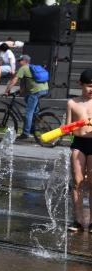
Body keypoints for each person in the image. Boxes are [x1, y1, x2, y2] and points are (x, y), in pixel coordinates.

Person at [66, 69, 92, 233]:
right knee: (77, 182)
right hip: (79, 143)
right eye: (89, 86)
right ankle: (77, 219)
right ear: (80, 84)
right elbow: (67, 128)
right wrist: (73, 128)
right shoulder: (72, 103)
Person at [5, 55, 49, 139]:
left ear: (25, 61)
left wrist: (7, 91)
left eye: (20, 60)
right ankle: (34, 126)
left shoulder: (23, 68)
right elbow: (26, 84)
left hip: (36, 91)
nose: (19, 62)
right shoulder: (32, 67)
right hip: (44, 89)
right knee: (29, 102)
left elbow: (14, 80)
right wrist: (18, 92)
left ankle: (25, 133)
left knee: (29, 112)